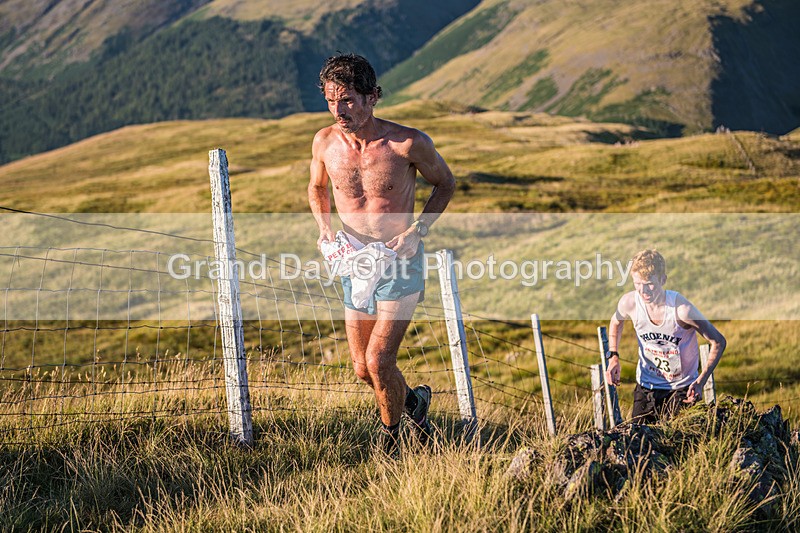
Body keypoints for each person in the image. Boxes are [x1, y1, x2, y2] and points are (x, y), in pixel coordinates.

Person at [307, 53, 456, 454]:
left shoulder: (408, 142)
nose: (339, 110)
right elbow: (317, 188)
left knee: (378, 360)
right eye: (330, 100)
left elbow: (445, 183)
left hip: (399, 260)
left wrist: (417, 229)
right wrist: (325, 229)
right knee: (362, 369)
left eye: (349, 99)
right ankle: (415, 404)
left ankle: (390, 445)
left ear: (373, 97)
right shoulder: (324, 142)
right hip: (353, 261)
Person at [604, 249, 727, 423]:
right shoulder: (629, 303)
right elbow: (616, 322)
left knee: (681, 447)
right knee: (637, 444)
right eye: (637, 283)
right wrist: (613, 356)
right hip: (646, 388)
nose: (643, 290)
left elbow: (718, 341)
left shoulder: (681, 311)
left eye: (649, 283)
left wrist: (701, 381)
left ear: (663, 280)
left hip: (683, 391)